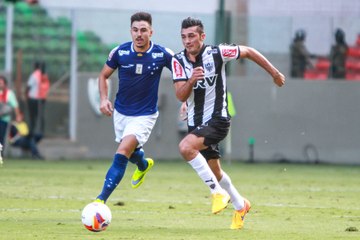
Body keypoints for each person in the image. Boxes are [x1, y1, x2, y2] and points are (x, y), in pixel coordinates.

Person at [171, 17, 285, 229]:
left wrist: (274, 73)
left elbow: (249, 51)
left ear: (202, 36)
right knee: (215, 171)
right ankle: (241, 205)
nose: (187, 41)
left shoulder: (218, 53)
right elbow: (180, 94)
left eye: (192, 36)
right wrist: (191, 82)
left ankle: (217, 193)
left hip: (218, 119)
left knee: (185, 147)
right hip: (196, 124)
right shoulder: (178, 61)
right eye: (184, 37)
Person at [95, 12, 173, 203]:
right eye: (135, 30)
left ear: (151, 32)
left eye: (143, 30)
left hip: (145, 115)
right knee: (130, 152)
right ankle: (144, 164)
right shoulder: (119, 52)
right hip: (121, 113)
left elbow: (182, 76)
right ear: (131, 31)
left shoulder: (163, 54)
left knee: (122, 152)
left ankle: (100, 201)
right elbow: (103, 76)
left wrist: (187, 102)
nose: (139, 34)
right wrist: (104, 99)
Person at [26, 61, 50, 144]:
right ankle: (38, 132)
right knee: (38, 116)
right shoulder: (43, 76)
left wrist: (26, 95)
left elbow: (28, 86)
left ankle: (33, 132)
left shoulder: (35, 75)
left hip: (34, 98)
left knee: (34, 116)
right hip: (41, 98)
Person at [0, 75, 22, 163]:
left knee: (1, 138)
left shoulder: (9, 94)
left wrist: (18, 115)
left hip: (4, 119)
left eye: (1, 83)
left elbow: (15, 106)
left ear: (5, 84)